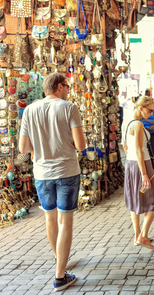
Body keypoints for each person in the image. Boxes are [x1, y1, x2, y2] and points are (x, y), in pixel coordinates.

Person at [19, 73, 86, 291]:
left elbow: (24, 148)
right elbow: (81, 145)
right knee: (65, 222)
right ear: (59, 86)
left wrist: (42, 146)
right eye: (66, 86)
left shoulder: (29, 110)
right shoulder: (69, 108)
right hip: (66, 170)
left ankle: (61, 260)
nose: (68, 90)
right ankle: (60, 277)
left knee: (50, 219)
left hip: (42, 173)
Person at [122, 96, 154, 252]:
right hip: (141, 164)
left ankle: (137, 234)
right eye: (149, 110)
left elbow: (125, 145)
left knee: (134, 199)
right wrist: (144, 173)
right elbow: (138, 149)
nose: (151, 114)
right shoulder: (137, 124)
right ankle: (143, 235)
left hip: (131, 164)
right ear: (141, 107)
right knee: (153, 200)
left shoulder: (127, 122)